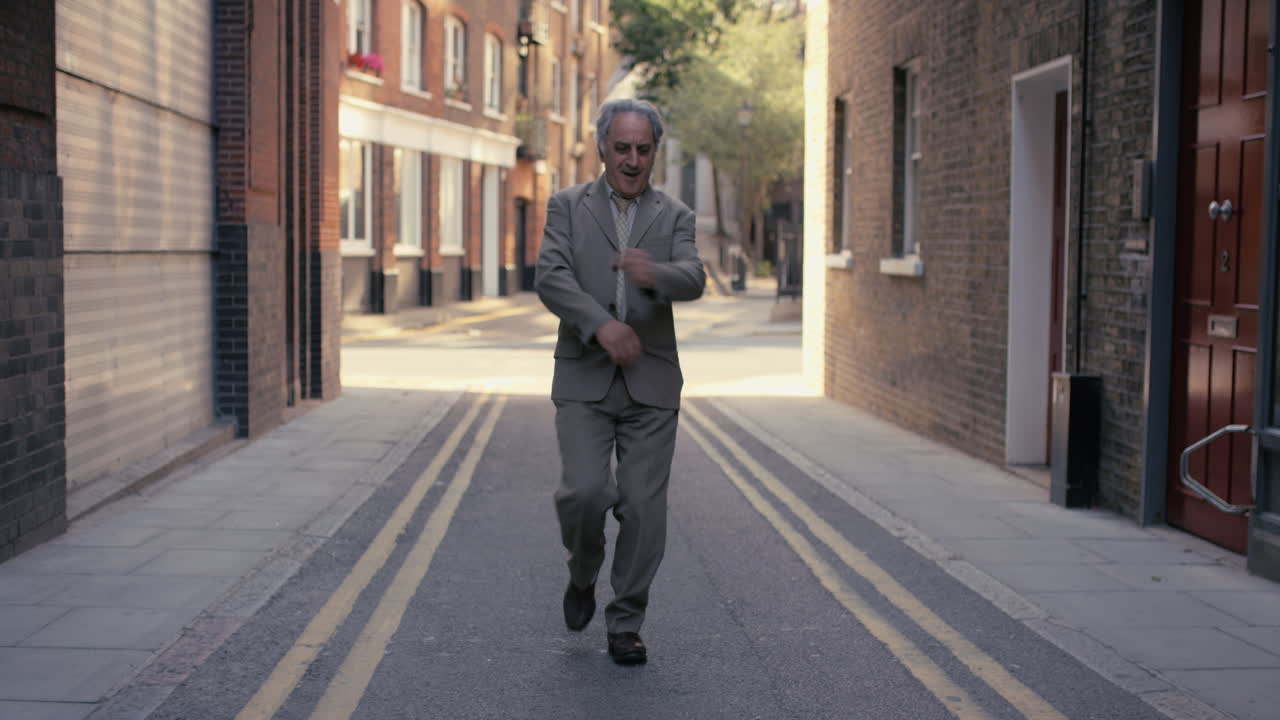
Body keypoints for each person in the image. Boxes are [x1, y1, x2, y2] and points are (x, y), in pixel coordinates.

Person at [534, 98, 705, 665]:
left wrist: (651, 272)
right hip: (584, 376)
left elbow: (694, 277)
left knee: (643, 508)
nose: (632, 160)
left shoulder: (675, 215)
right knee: (583, 493)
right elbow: (552, 277)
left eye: (643, 149)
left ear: (654, 151)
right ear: (603, 147)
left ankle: (625, 621)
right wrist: (601, 325)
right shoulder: (566, 206)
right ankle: (583, 573)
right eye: (622, 147)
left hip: (651, 382)